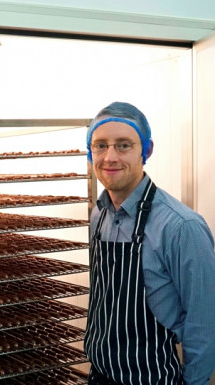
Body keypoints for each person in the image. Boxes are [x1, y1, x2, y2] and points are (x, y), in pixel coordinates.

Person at [83, 101, 215, 385]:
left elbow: (203, 326)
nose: (110, 157)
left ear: (147, 150)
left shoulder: (182, 227)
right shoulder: (99, 215)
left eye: (124, 145)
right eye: (100, 145)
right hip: (100, 376)